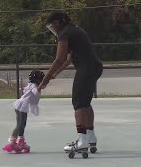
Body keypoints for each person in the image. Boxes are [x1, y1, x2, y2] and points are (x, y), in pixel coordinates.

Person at [37, 11, 103, 152]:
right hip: (95, 67)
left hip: (86, 68)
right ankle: (90, 136)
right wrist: (55, 74)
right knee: (85, 103)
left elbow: (59, 59)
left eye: (51, 26)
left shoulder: (64, 33)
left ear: (57, 22)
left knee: (78, 103)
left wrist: (45, 80)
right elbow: (68, 59)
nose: (52, 29)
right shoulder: (75, 29)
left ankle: (82, 140)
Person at [2, 70, 45, 153]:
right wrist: (40, 85)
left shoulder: (34, 85)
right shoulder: (33, 86)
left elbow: (41, 88)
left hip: (23, 106)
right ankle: (12, 142)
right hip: (21, 106)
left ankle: (20, 141)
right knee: (19, 125)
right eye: (41, 80)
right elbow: (36, 92)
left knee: (23, 124)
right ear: (36, 80)